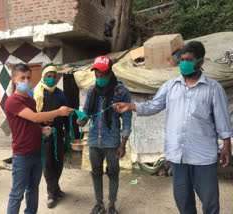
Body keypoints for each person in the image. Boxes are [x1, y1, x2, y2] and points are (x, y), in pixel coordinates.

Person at [114, 41, 232, 214]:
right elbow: (153, 105)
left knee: (210, 202)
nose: (184, 63)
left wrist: (227, 145)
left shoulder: (213, 89)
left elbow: (222, 119)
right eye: (182, 60)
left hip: (203, 156)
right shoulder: (170, 86)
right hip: (178, 155)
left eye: (189, 59)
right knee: (183, 200)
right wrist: (130, 106)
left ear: (200, 61)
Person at [5, 63, 73, 214]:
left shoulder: (31, 101)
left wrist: (42, 129)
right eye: (22, 78)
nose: (26, 81)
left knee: (33, 189)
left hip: (37, 151)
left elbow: (31, 122)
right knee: (17, 194)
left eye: (28, 77)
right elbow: (35, 117)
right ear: (14, 79)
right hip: (22, 154)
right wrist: (58, 112)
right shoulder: (12, 101)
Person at [78, 56, 132, 214]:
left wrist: (123, 144)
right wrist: (81, 119)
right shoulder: (91, 91)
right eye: (97, 75)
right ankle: (99, 203)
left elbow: (127, 120)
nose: (99, 78)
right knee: (95, 172)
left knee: (113, 172)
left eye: (103, 75)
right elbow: (87, 112)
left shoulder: (121, 92)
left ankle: (112, 205)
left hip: (112, 142)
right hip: (94, 140)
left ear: (110, 73)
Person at [28, 64, 69, 208]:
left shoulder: (59, 93)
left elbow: (66, 113)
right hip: (43, 134)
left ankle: (56, 188)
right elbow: (29, 116)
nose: (51, 79)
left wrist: (68, 131)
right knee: (47, 164)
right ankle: (51, 194)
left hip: (58, 133)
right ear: (43, 77)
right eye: (48, 76)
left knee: (58, 163)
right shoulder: (34, 93)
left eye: (54, 76)